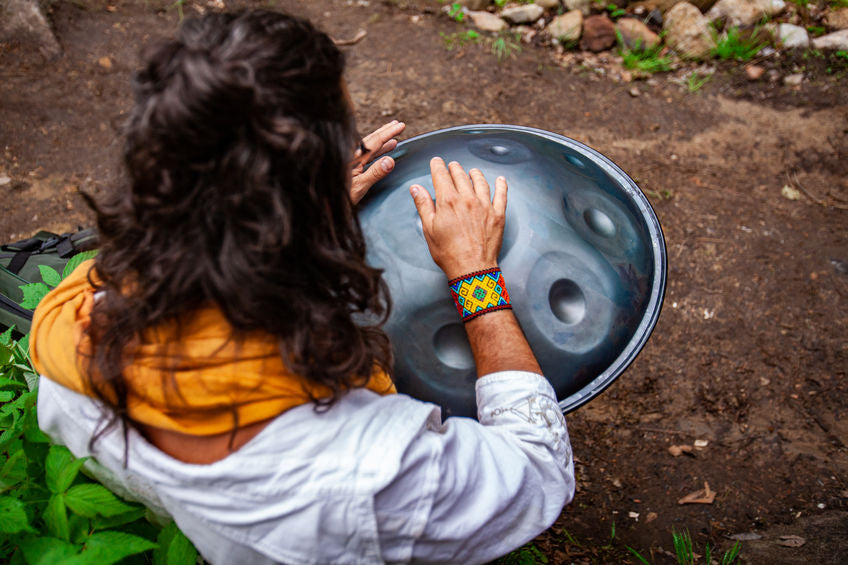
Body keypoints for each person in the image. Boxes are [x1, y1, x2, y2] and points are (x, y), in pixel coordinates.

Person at [30, 10, 574, 564]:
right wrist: (474, 278)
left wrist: (303, 210)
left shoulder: (74, 322)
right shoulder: (365, 474)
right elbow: (536, 471)